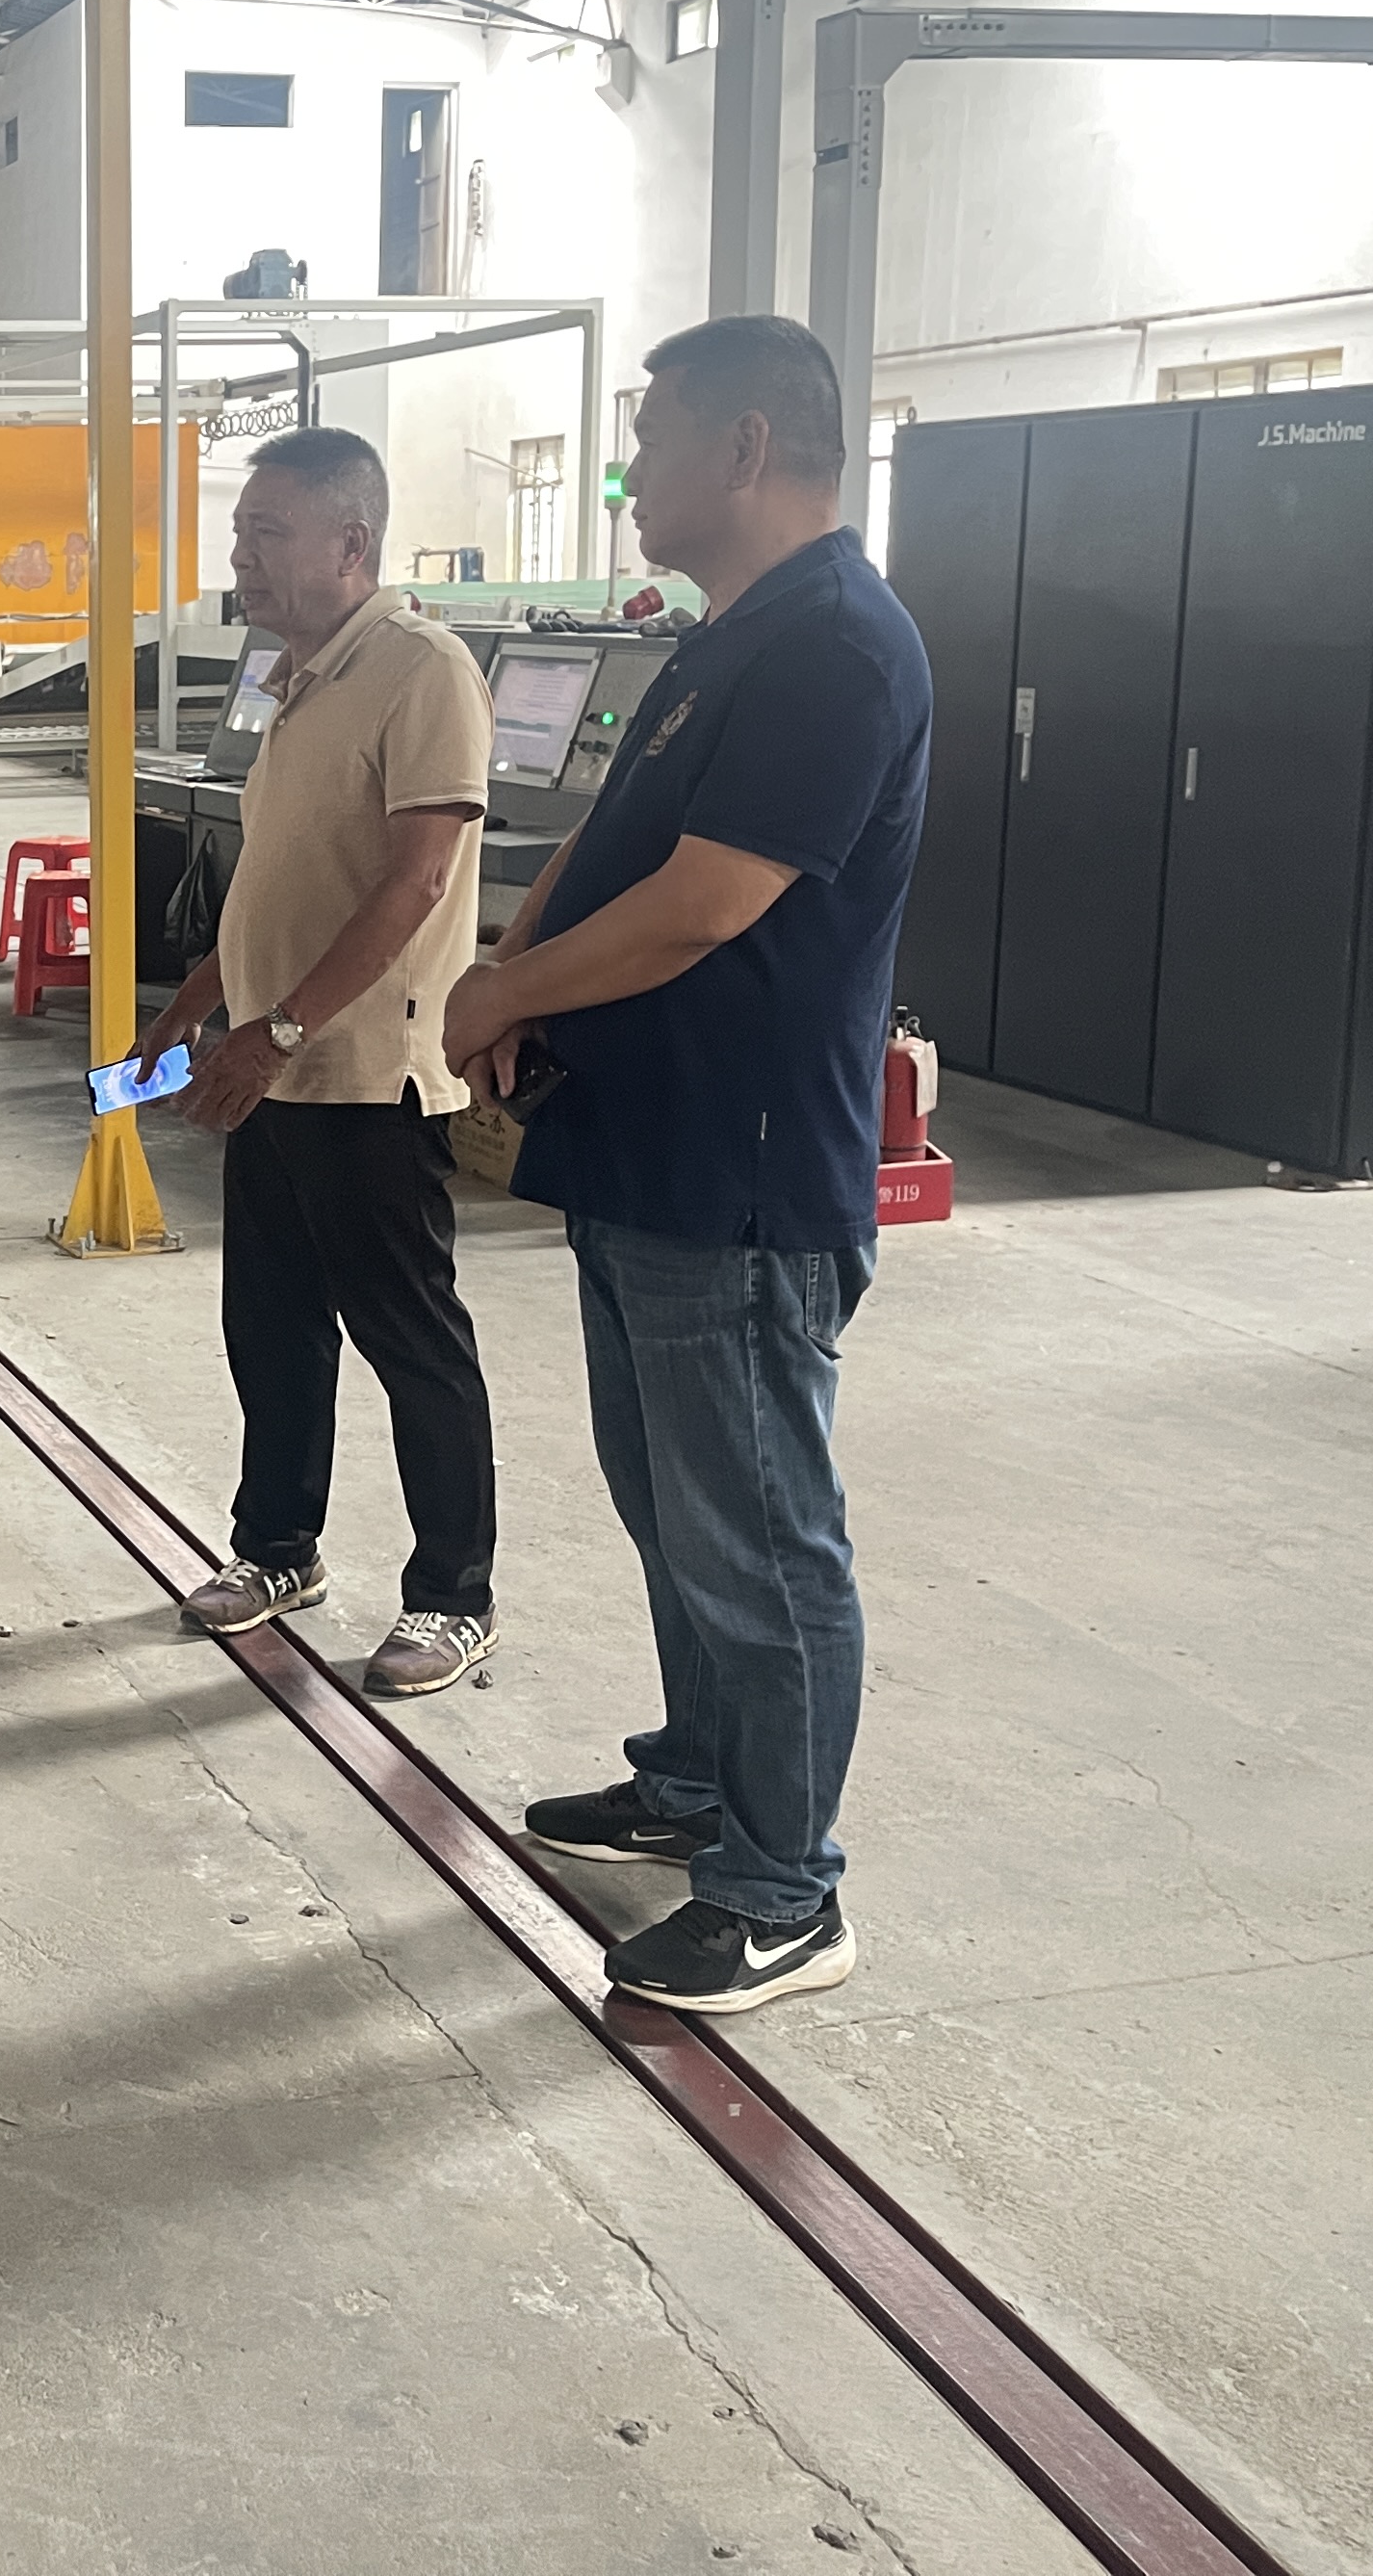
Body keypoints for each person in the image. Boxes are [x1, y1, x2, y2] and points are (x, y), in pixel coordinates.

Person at [440, 314, 930, 2016]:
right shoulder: (734, 634)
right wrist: (515, 956)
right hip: (645, 1151)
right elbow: (618, 835)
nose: (628, 468)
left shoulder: (836, 644)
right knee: (675, 1512)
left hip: (741, 1172)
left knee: (762, 1539)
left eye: (650, 437)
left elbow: (711, 901)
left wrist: (511, 990)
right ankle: (704, 1780)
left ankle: (784, 1891)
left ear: (745, 447)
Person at [128, 427, 502, 1698]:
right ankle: (278, 1550)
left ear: (352, 544)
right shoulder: (294, 676)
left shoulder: (421, 671)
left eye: (268, 534)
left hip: (362, 1080)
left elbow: (417, 882)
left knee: (412, 1341)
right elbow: (280, 880)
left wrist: (279, 1029)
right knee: (274, 1328)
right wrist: (197, 1000)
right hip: (272, 1071)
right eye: (241, 535)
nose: (243, 559)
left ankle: (453, 1595)